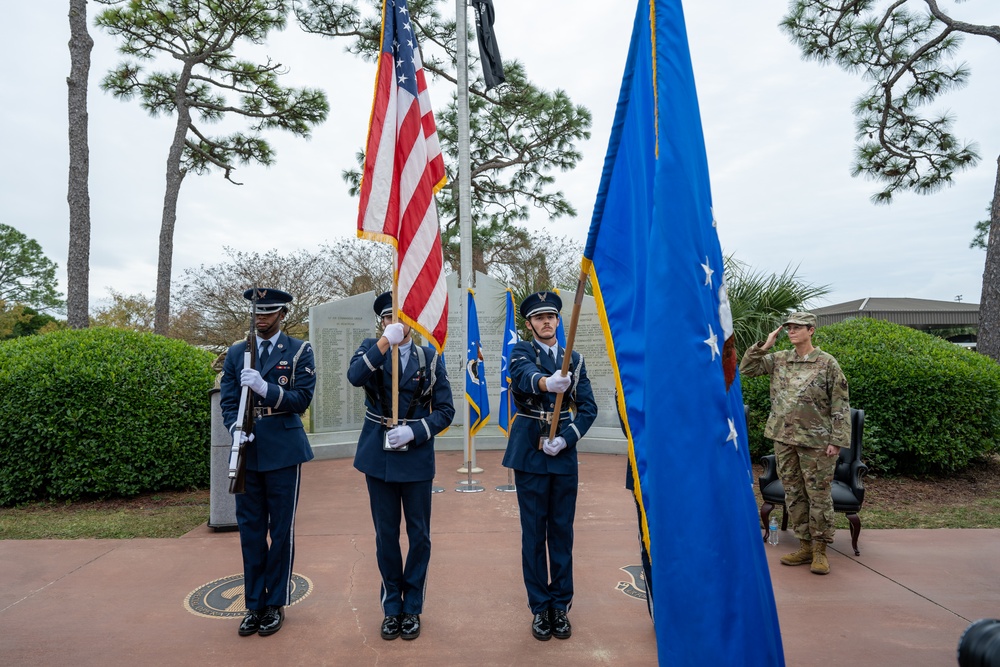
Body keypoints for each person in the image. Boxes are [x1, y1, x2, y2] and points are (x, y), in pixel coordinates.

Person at [347, 292, 454, 641]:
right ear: (381, 322)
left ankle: (413, 605)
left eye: (403, 317)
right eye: (389, 318)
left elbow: (445, 410)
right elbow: (354, 376)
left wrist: (416, 429)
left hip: (416, 456)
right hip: (379, 457)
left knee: (419, 534)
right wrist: (383, 344)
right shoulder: (371, 348)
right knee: (386, 535)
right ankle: (392, 605)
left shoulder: (430, 357)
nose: (397, 323)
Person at [219, 287, 316, 636]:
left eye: (269, 312)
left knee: (281, 530)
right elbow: (228, 401)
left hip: (283, 448)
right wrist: (235, 428)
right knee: (251, 530)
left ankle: (275, 602)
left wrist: (266, 389)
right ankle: (253, 604)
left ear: (282, 314)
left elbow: (301, 398)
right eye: (257, 312)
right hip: (247, 449)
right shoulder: (236, 353)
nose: (261, 317)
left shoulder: (299, 351)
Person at [503, 290, 598, 641]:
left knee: (561, 532)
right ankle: (540, 607)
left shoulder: (574, 358)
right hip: (529, 452)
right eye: (539, 318)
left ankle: (561, 604)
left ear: (558, 320)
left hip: (561, 453)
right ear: (530, 324)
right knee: (534, 534)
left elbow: (588, 408)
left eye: (552, 316)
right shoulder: (521, 351)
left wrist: (567, 437)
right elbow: (524, 375)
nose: (547, 322)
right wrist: (547, 382)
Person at [739, 311, 851, 575]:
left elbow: (840, 404)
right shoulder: (779, 359)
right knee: (794, 493)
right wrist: (763, 346)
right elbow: (746, 369)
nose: (791, 331)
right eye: (788, 327)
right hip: (785, 438)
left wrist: (837, 440)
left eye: (797, 327)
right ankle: (804, 545)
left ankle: (820, 549)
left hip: (816, 442)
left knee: (819, 496)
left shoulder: (826, 363)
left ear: (811, 330)